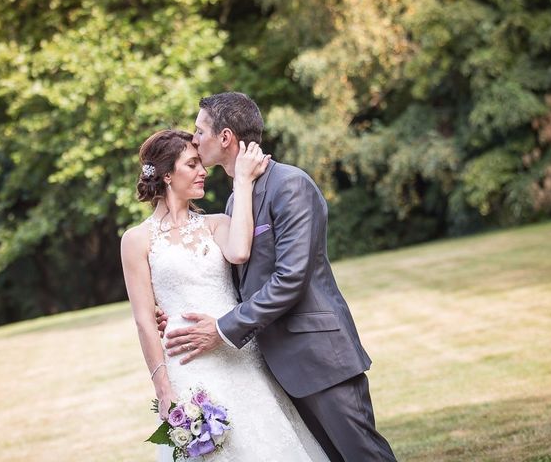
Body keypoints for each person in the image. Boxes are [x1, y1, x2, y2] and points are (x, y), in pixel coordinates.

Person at [160, 92, 397, 462]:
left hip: (319, 357)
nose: (194, 140)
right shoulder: (236, 200)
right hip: (274, 365)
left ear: (225, 138)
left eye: (199, 130)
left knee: (363, 456)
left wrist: (222, 329)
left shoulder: (290, 185)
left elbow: (290, 279)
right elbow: (233, 282)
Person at [120, 129, 329, 461]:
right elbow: (145, 322)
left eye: (201, 163)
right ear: (168, 175)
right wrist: (163, 389)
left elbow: (240, 251)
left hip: (239, 354)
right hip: (187, 365)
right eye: (192, 164)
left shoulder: (216, 224)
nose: (203, 171)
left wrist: (242, 181)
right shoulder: (136, 240)